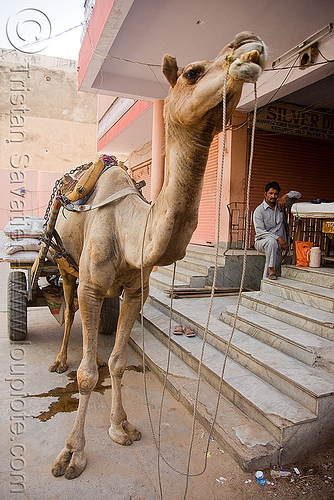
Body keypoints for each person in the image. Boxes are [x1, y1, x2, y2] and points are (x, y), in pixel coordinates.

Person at [253, 181, 301, 279]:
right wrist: (278, 238)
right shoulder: (259, 211)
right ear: (265, 194)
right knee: (272, 242)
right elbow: (260, 232)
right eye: (271, 193)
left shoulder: (281, 204)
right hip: (262, 241)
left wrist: (286, 196)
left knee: (272, 269)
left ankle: (268, 279)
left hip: (279, 244)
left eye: (276, 194)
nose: (273, 196)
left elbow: (298, 195)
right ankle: (271, 269)